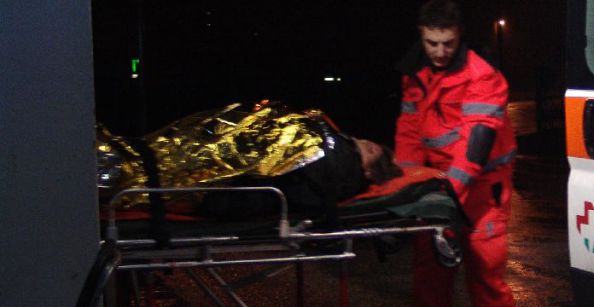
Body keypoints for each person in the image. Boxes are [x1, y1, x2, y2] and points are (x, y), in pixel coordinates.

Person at [380, 0, 531, 307]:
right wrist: (408, 194)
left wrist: (443, 201)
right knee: (429, 284)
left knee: (486, 282)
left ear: (459, 35)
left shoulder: (483, 77)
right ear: (421, 36)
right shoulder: (415, 75)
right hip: (438, 190)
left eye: (447, 43)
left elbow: (474, 147)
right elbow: (409, 137)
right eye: (432, 43)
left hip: (481, 192)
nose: (440, 51)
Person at [97, 101, 402, 215]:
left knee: (162, 166)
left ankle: (118, 169)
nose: (364, 141)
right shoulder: (335, 152)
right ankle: (120, 163)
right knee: (172, 150)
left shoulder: (338, 167)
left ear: (369, 172)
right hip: (229, 157)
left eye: (371, 149)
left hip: (217, 182)